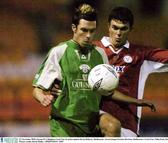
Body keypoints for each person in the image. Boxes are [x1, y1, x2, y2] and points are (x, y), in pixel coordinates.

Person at [32, 4, 156, 137]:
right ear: (74, 28)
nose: (88, 36)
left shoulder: (99, 54)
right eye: (84, 30)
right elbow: (37, 89)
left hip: (91, 123)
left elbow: (107, 91)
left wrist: (136, 101)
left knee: (113, 126)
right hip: (65, 125)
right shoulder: (59, 52)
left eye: (92, 31)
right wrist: (43, 98)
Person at [94, 6, 168, 137]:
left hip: (127, 127)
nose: (118, 33)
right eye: (115, 27)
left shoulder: (140, 54)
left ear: (130, 29)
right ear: (108, 26)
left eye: (123, 29)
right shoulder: (92, 50)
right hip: (94, 122)